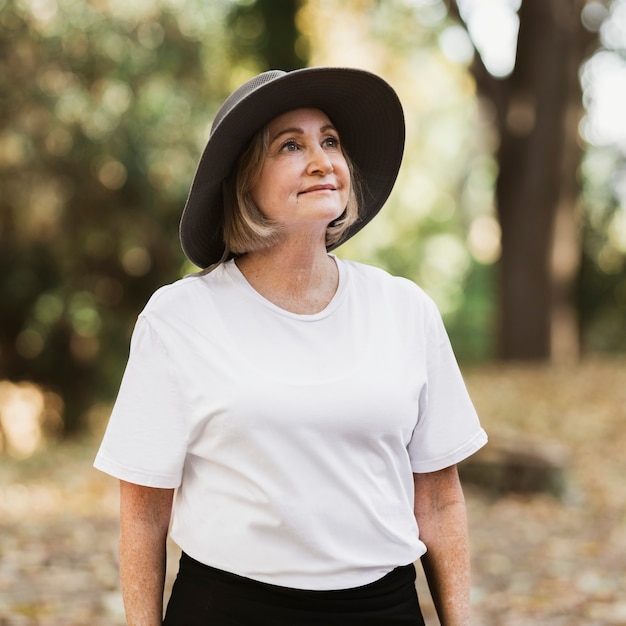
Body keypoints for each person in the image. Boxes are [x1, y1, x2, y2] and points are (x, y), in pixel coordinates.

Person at [94, 66, 488, 626]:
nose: (322, 160)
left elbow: (440, 500)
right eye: (290, 145)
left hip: (383, 609)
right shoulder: (178, 319)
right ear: (244, 180)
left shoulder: (405, 310)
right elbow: (142, 516)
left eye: (330, 141)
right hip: (230, 609)